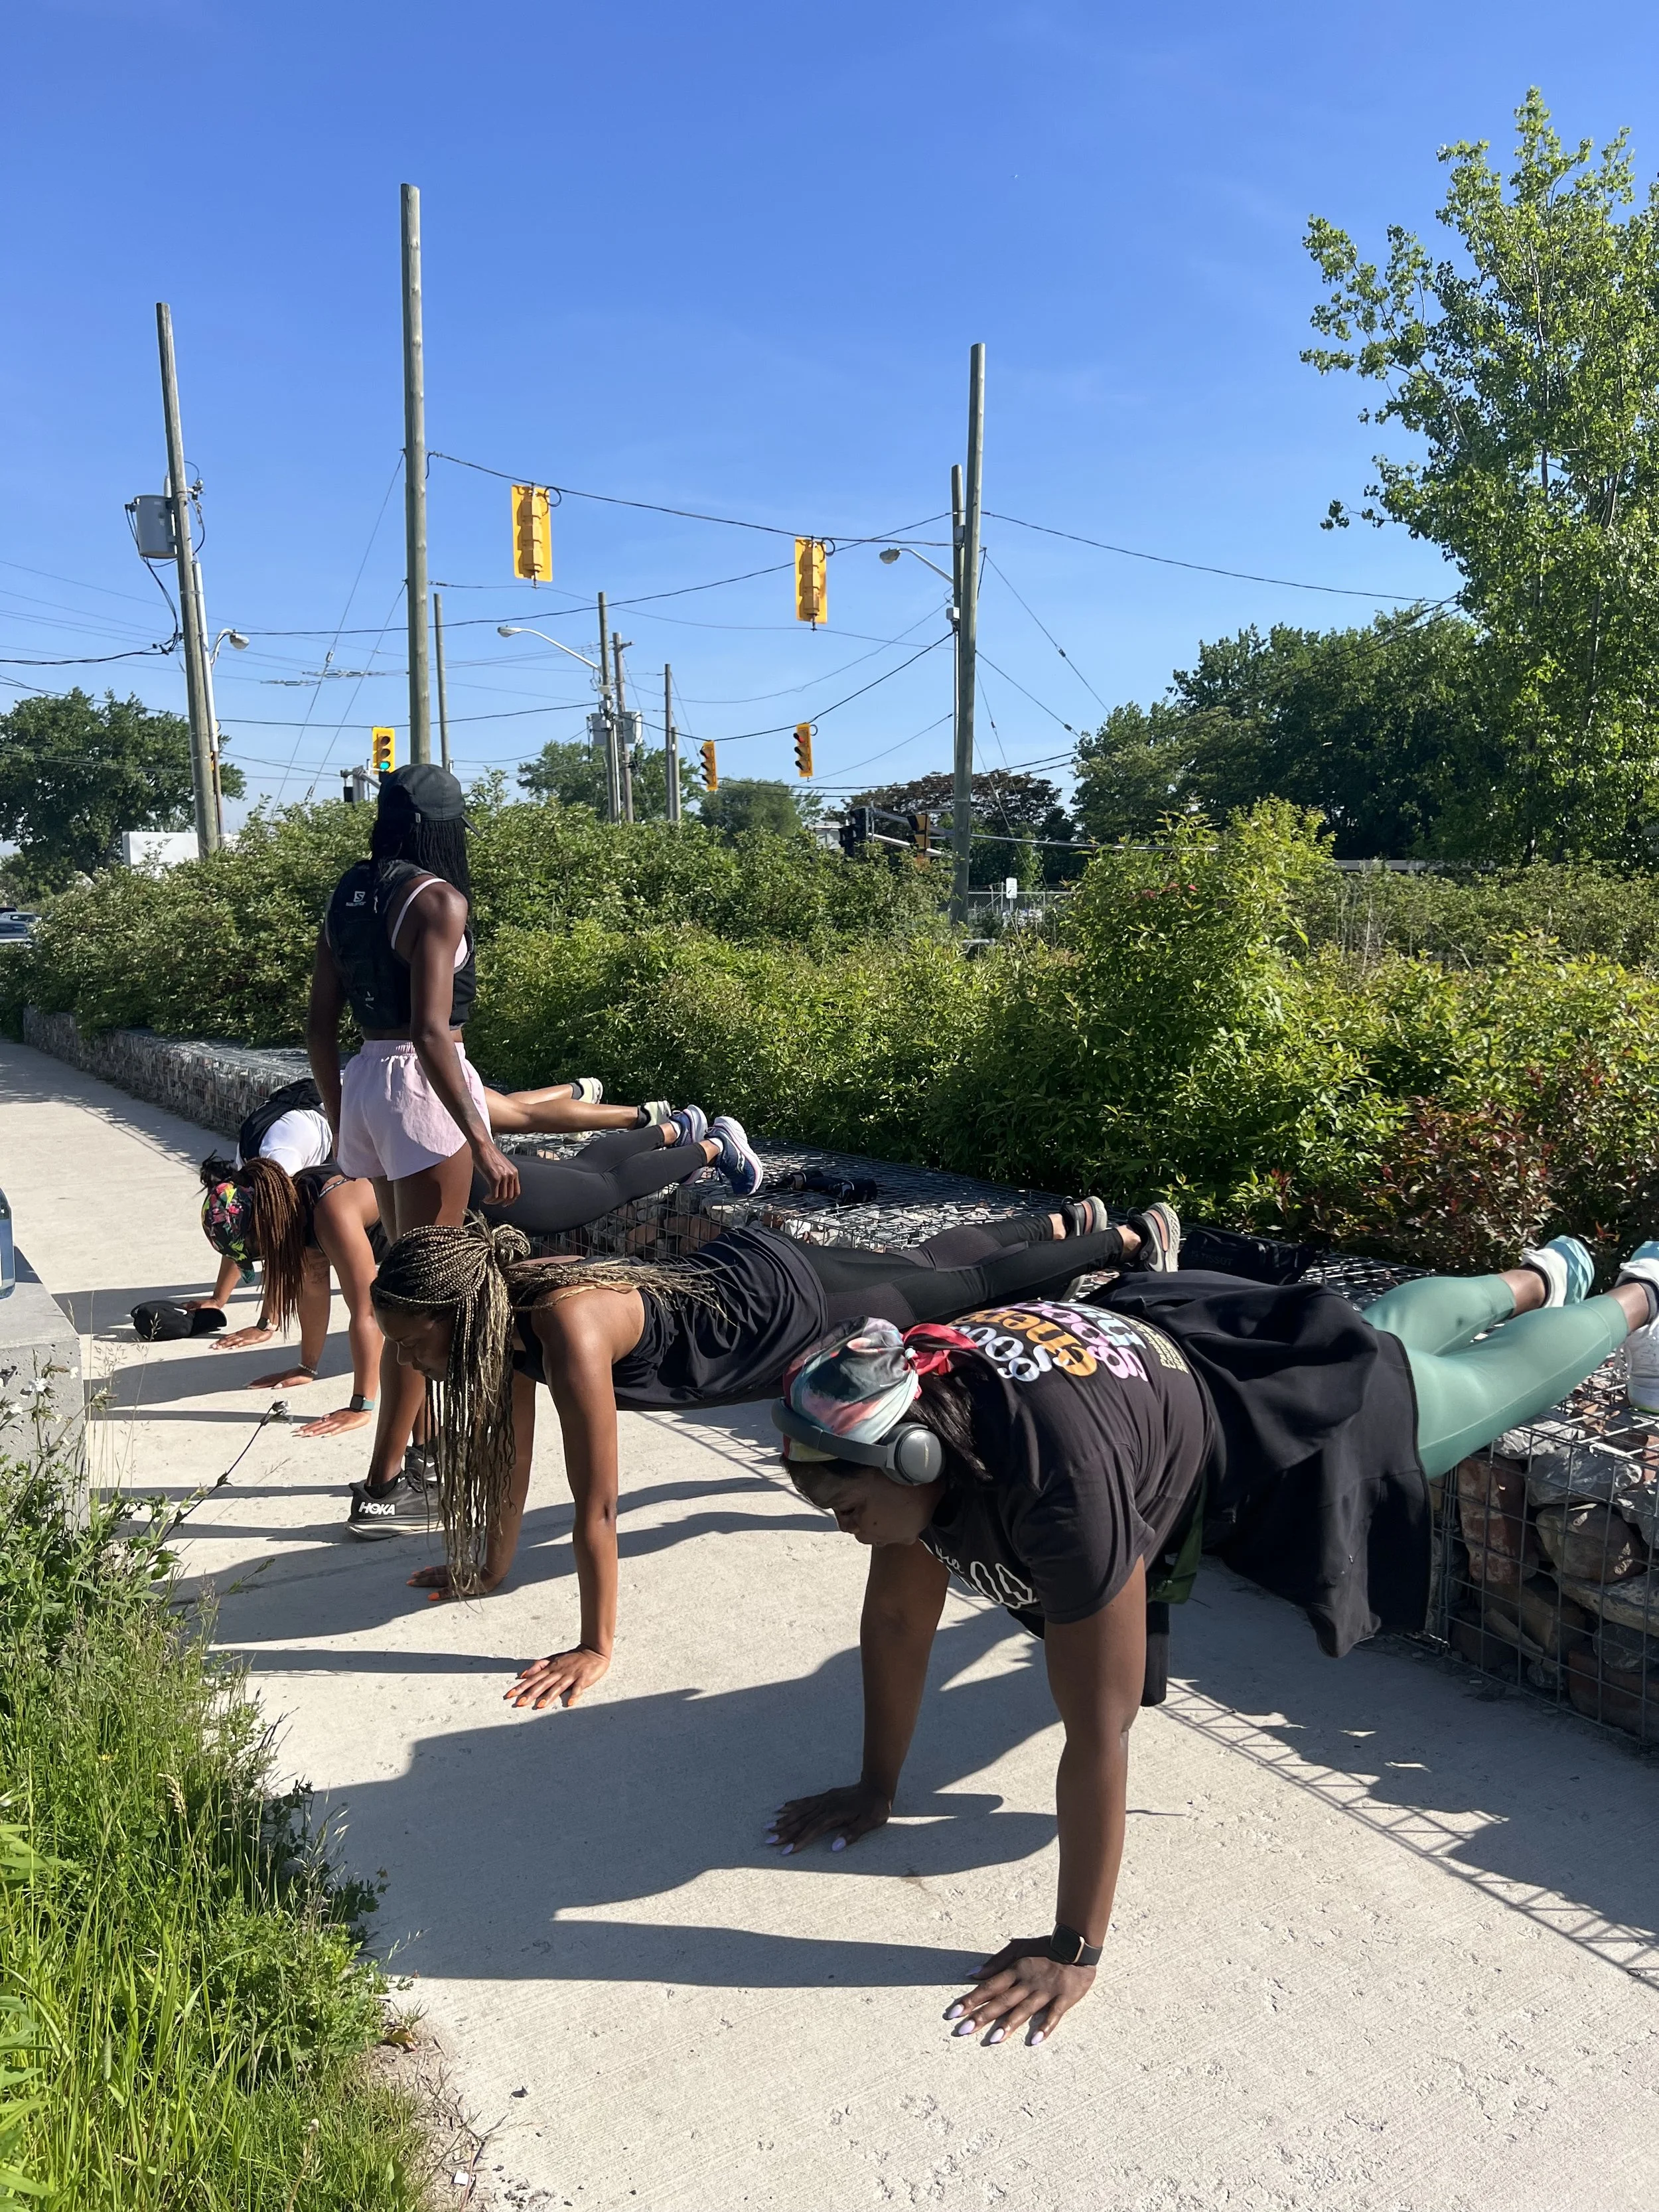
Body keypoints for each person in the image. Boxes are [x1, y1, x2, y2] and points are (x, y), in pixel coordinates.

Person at [765, 1229, 1659, 2051]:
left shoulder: (1057, 1482)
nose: (842, 1528)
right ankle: (1543, 1273)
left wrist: (1076, 1949)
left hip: (1230, 1397)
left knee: (1456, 1390)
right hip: (1200, 1331)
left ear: (916, 1458)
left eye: (847, 1508)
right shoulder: (928, 1394)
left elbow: (1099, 1729)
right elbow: (895, 1618)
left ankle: (1634, 1292)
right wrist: (874, 1787)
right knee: (1367, 1333)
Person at [368, 1198, 1179, 1684]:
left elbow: (599, 1505)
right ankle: (1059, 1223)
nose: (407, 1360)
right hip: (743, 1272)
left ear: (458, 1315)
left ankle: (1129, 1241)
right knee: (918, 1260)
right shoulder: (500, 1321)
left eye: (412, 1342)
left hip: (769, 1314)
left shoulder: (566, 1328)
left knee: (951, 1290)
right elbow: (511, 1463)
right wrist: (490, 1570)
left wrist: (593, 1645)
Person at [196, 1094, 735, 1453]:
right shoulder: (297, 1213)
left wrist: (363, 1404)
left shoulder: (330, 1211)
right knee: (587, 1175)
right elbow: (316, 1293)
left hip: (481, 1194)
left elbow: (366, 1309)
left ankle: (714, 1145)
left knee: (595, 1188)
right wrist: (306, 1367)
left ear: (269, 1224)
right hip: (457, 1204)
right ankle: (673, 1130)